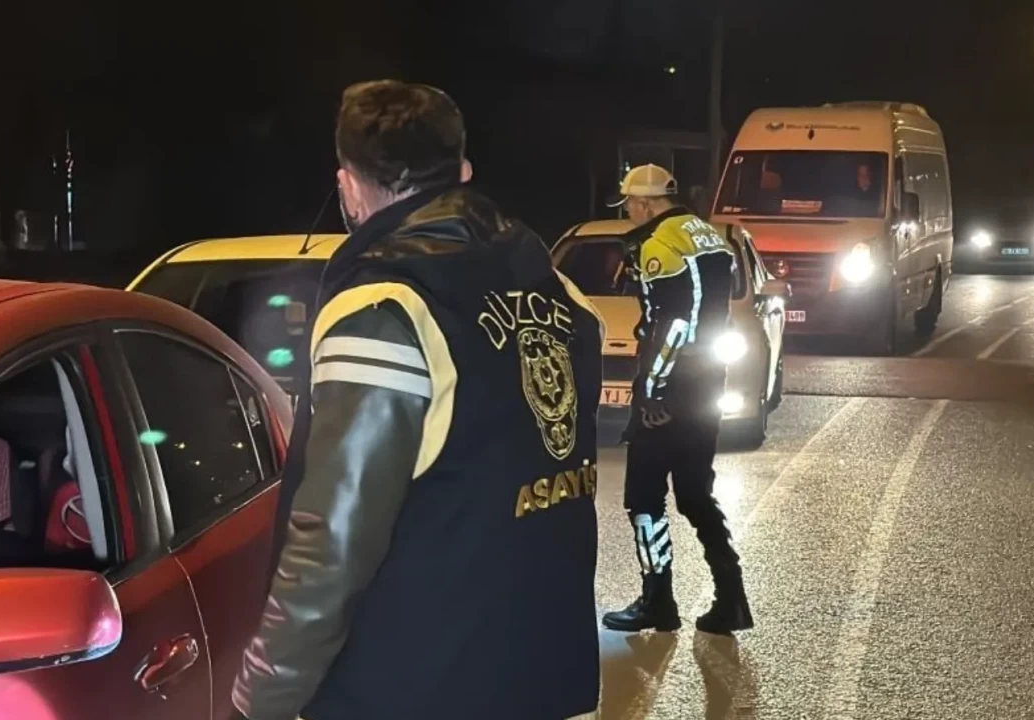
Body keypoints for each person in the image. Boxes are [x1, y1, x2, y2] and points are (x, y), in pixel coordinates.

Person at [231, 80, 605, 720]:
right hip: (543, 671)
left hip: (414, 687)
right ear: (462, 172)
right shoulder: (559, 292)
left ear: (349, 186)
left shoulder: (384, 309)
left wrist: (258, 700)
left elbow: (332, 542)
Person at [601, 163, 754, 636]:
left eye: (630, 204)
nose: (629, 212)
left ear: (645, 203)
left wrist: (652, 391)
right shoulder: (708, 235)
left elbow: (673, 326)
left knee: (643, 498)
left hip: (671, 388)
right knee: (694, 494)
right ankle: (731, 598)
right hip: (707, 384)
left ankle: (658, 601)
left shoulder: (659, 245)